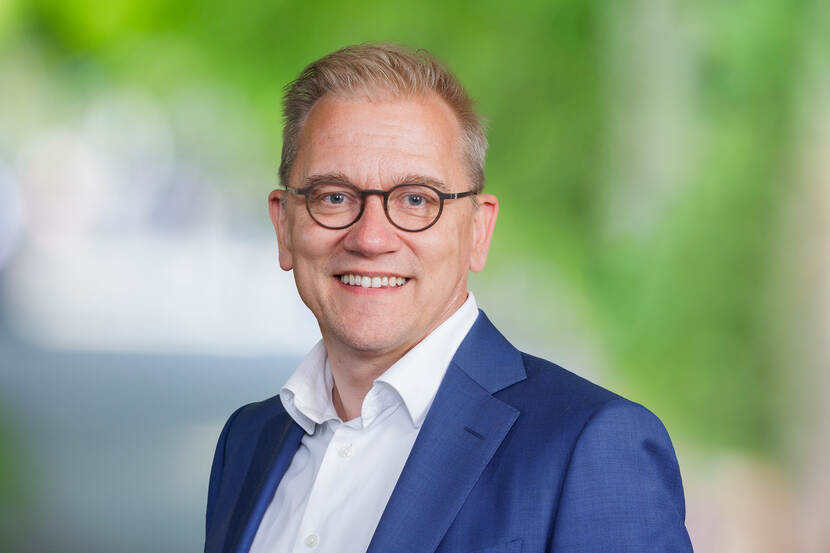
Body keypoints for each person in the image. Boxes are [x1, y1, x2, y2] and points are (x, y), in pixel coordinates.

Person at [204, 43, 693, 553]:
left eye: (417, 200)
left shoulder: (591, 446)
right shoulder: (247, 443)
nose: (371, 238)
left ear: (478, 231)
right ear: (284, 226)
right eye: (334, 197)